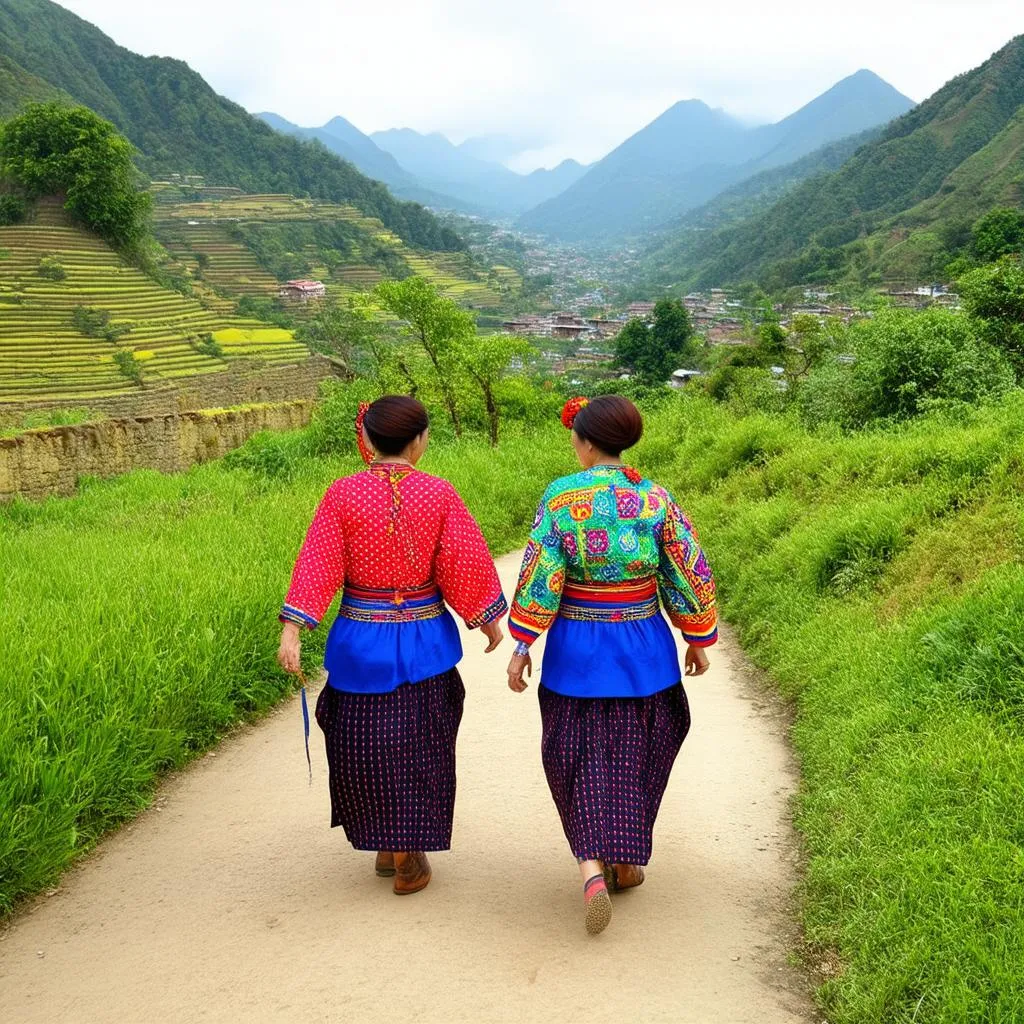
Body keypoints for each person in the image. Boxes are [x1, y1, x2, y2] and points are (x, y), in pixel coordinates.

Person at [278, 395, 506, 895]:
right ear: (420, 440)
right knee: (421, 743)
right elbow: (461, 562)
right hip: (425, 642)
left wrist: (293, 628)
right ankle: (406, 852)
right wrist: (486, 618)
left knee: (363, 743)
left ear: (367, 439)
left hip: (361, 641)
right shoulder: (440, 494)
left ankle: (389, 843)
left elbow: (319, 563)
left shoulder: (341, 495)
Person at [506, 394, 717, 935]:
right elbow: (685, 569)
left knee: (574, 755)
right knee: (638, 751)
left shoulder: (560, 498)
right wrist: (696, 637)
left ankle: (591, 867)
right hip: (644, 650)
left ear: (584, 441)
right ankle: (625, 857)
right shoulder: (655, 500)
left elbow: (540, 574)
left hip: (576, 651)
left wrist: (523, 643)